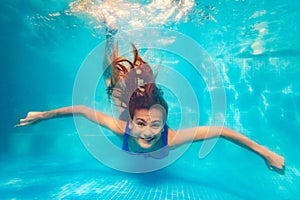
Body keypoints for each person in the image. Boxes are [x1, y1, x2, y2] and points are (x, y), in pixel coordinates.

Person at [15, 12, 285, 174]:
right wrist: (43, 115)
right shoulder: (121, 127)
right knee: (111, 74)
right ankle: (110, 34)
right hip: (123, 99)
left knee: (120, 77)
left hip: (136, 100)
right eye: (141, 124)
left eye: (156, 124)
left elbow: (221, 130)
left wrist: (265, 153)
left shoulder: (173, 137)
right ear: (131, 122)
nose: (148, 132)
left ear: (164, 123)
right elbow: (83, 111)